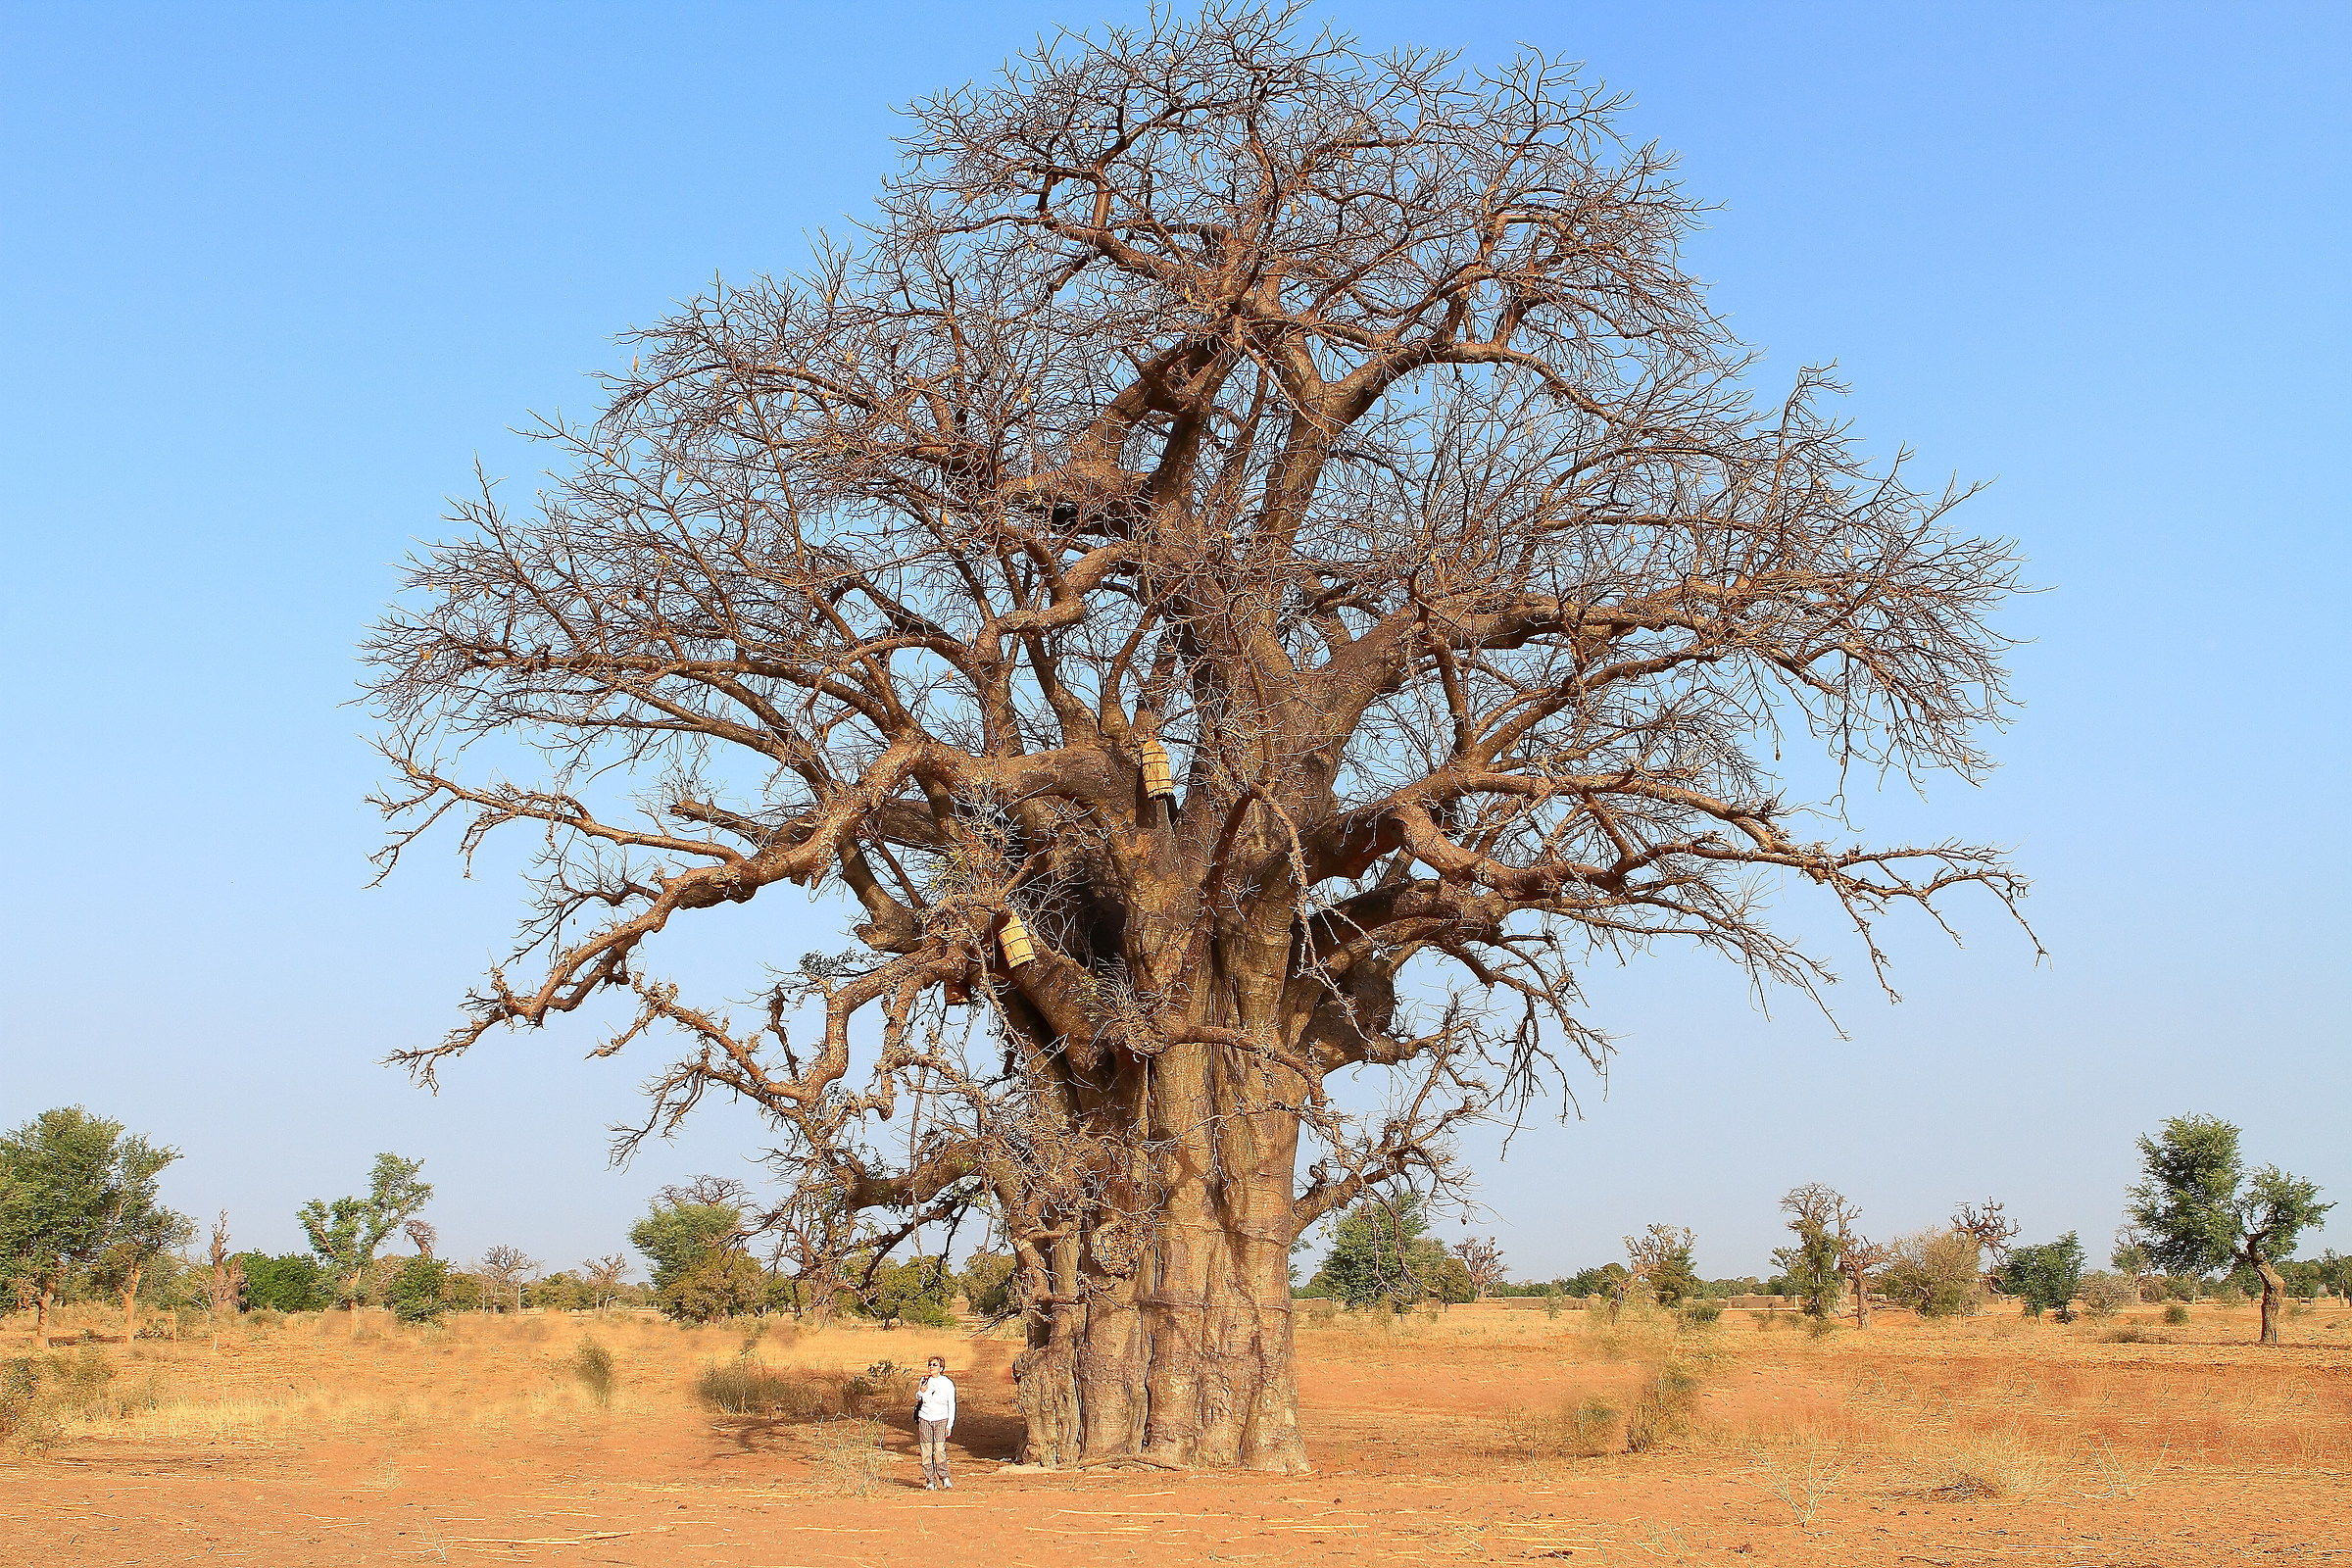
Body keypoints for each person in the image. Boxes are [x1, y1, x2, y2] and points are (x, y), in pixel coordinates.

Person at [913, 1356, 956, 1490]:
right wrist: (921, 1391)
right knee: (926, 1450)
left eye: (935, 1365)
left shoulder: (947, 1383)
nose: (931, 1367)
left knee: (939, 1449)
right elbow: (919, 1397)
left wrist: (949, 1425)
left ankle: (944, 1477)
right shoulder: (925, 1380)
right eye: (930, 1365)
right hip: (925, 1418)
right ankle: (930, 1480)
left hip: (941, 1419)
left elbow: (952, 1404)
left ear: (941, 1368)